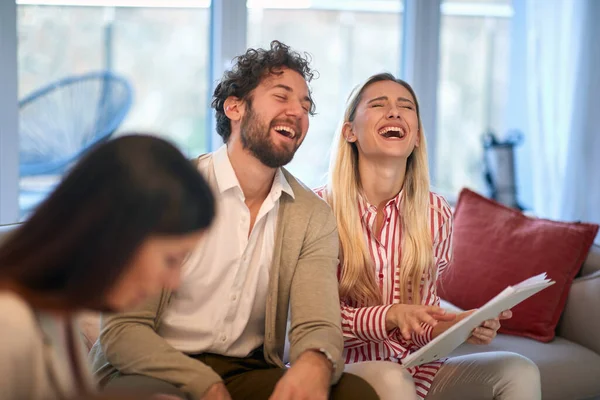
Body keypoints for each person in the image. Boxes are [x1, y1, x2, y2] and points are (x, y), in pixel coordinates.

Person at [89, 41, 378, 400]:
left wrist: (314, 364)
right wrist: (201, 382)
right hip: (149, 367)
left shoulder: (312, 216)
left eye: (305, 106)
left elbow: (317, 323)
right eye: (281, 96)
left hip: (245, 370)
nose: (297, 112)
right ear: (235, 107)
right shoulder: (166, 189)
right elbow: (123, 330)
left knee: (356, 394)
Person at [316, 72, 542, 400]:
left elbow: (420, 323)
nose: (394, 112)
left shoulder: (434, 212)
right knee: (392, 378)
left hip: (417, 371)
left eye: (406, 106)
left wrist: (461, 324)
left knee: (519, 370)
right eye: (379, 104)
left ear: (417, 136)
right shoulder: (319, 209)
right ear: (349, 131)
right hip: (343, 369)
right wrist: (391, 314)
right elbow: (315, 320)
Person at [0, 134, 216, 400]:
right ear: (116, 236)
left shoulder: (61, 313)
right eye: (170, 260)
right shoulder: (10, 323)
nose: (173, 282)